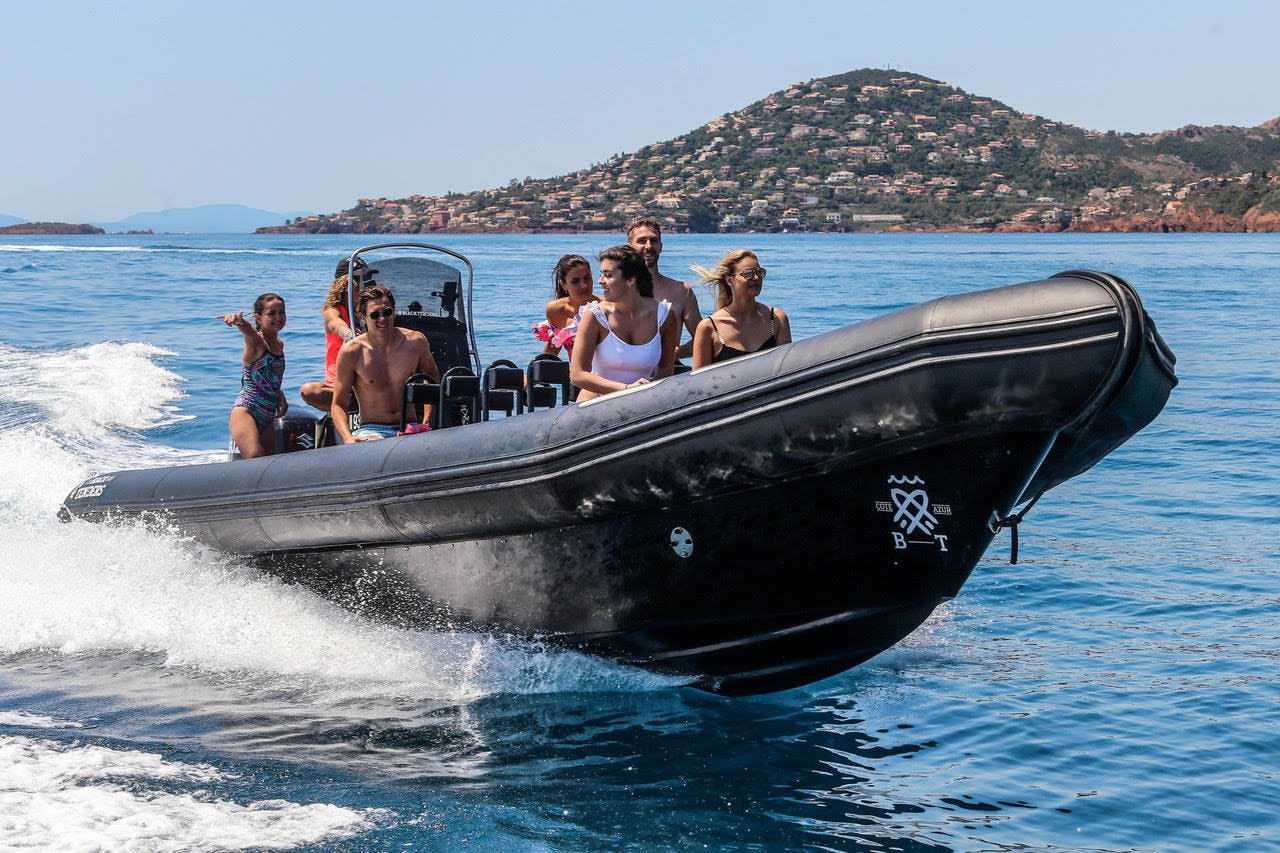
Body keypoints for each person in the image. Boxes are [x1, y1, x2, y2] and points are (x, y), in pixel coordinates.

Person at [330, 283, 440, 443]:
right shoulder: (352, 352)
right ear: (362, 317)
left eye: (387, 312)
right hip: (373, 430)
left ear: (394, 313)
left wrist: (427, 420)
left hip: (411, 427)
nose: (382, 319)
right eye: (375, 315)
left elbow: (432, 377)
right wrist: (348, 437)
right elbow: (338, 404)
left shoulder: (415, 342)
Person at [570, 245, 679, 402]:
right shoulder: (594, 316)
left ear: (630, 280)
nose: (600, 281)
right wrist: (626, 389)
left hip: (642, 407)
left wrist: (647, 397)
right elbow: (577, 375)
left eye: (608, 275)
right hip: (593, 406)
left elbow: (665, 368)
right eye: (601, 274)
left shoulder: (664, 316)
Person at [691, 250, 792, 368]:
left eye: (759, 272)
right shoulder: (709, 327)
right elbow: (699, 377)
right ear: (729, 280)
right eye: (748, 273)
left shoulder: (776, 319)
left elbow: (788, 369)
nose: (756, 278)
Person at [300, 257, 377, 411]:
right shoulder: (333, 311)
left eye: (368, 277)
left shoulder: (372, 312)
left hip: (370, 380)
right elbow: (335, 323)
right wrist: (349, 335)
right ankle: (349, 403)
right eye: (360, 279)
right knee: (310, 391)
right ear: (345, 284)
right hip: (341, 383)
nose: (367, 283)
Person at [223, 292, 288, 459]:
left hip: (268, 414)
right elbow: (249, 332)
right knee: (255, 456)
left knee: (269, 463)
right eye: (271, 313)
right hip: (247, 410)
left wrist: (279, 394)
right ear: (258, 318)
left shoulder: (279, 344)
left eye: (281, 312)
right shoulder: (257, 342)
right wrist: (239, 322)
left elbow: (269, 376)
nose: (278, 317)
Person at [627, 217, 702, 360]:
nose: (648, 246)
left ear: (660, 247)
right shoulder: (617, 290)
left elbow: (704, 338)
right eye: (642, 241)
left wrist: (674, 354)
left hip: (669, 370)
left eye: (654, 241)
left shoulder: (681, 291)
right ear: (629, 248)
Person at [533, 254, 598, 357]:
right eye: (575, 281)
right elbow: (554, 345)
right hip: (576, 368)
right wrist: (538, 365)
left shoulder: (606, 308)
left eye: (587, 278)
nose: (584, 285)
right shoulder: (555, 310)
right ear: (564, 285)